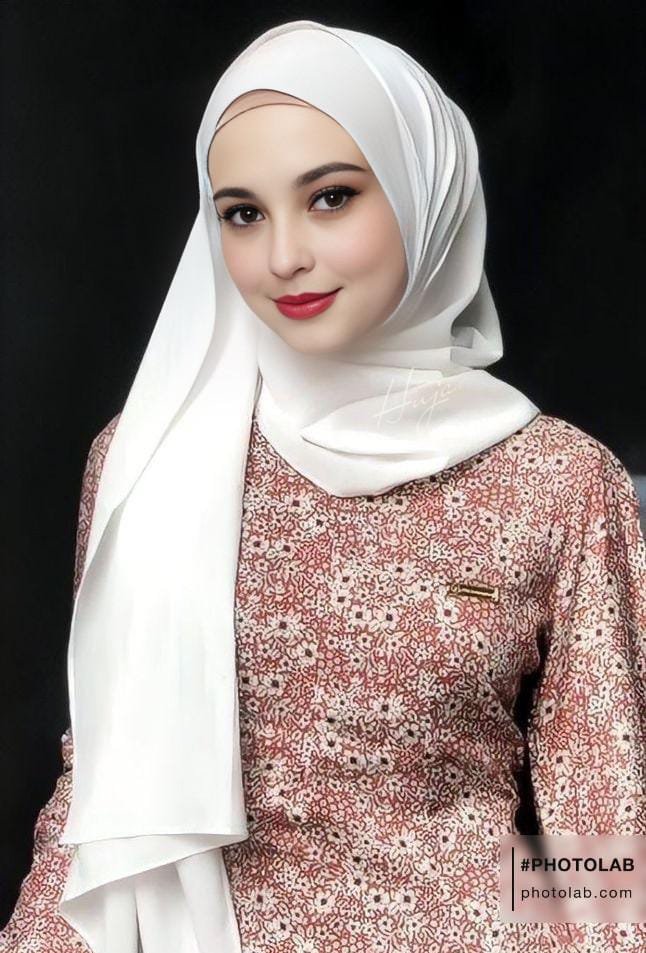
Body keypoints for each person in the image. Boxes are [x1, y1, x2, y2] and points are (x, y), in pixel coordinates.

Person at [1, 18, 644, 953]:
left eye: (331, 197)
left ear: (424, 193)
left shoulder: (557, 479)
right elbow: (104, 789)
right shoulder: (150, 458)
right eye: (243, 213)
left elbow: (602, 828)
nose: (283, 257)